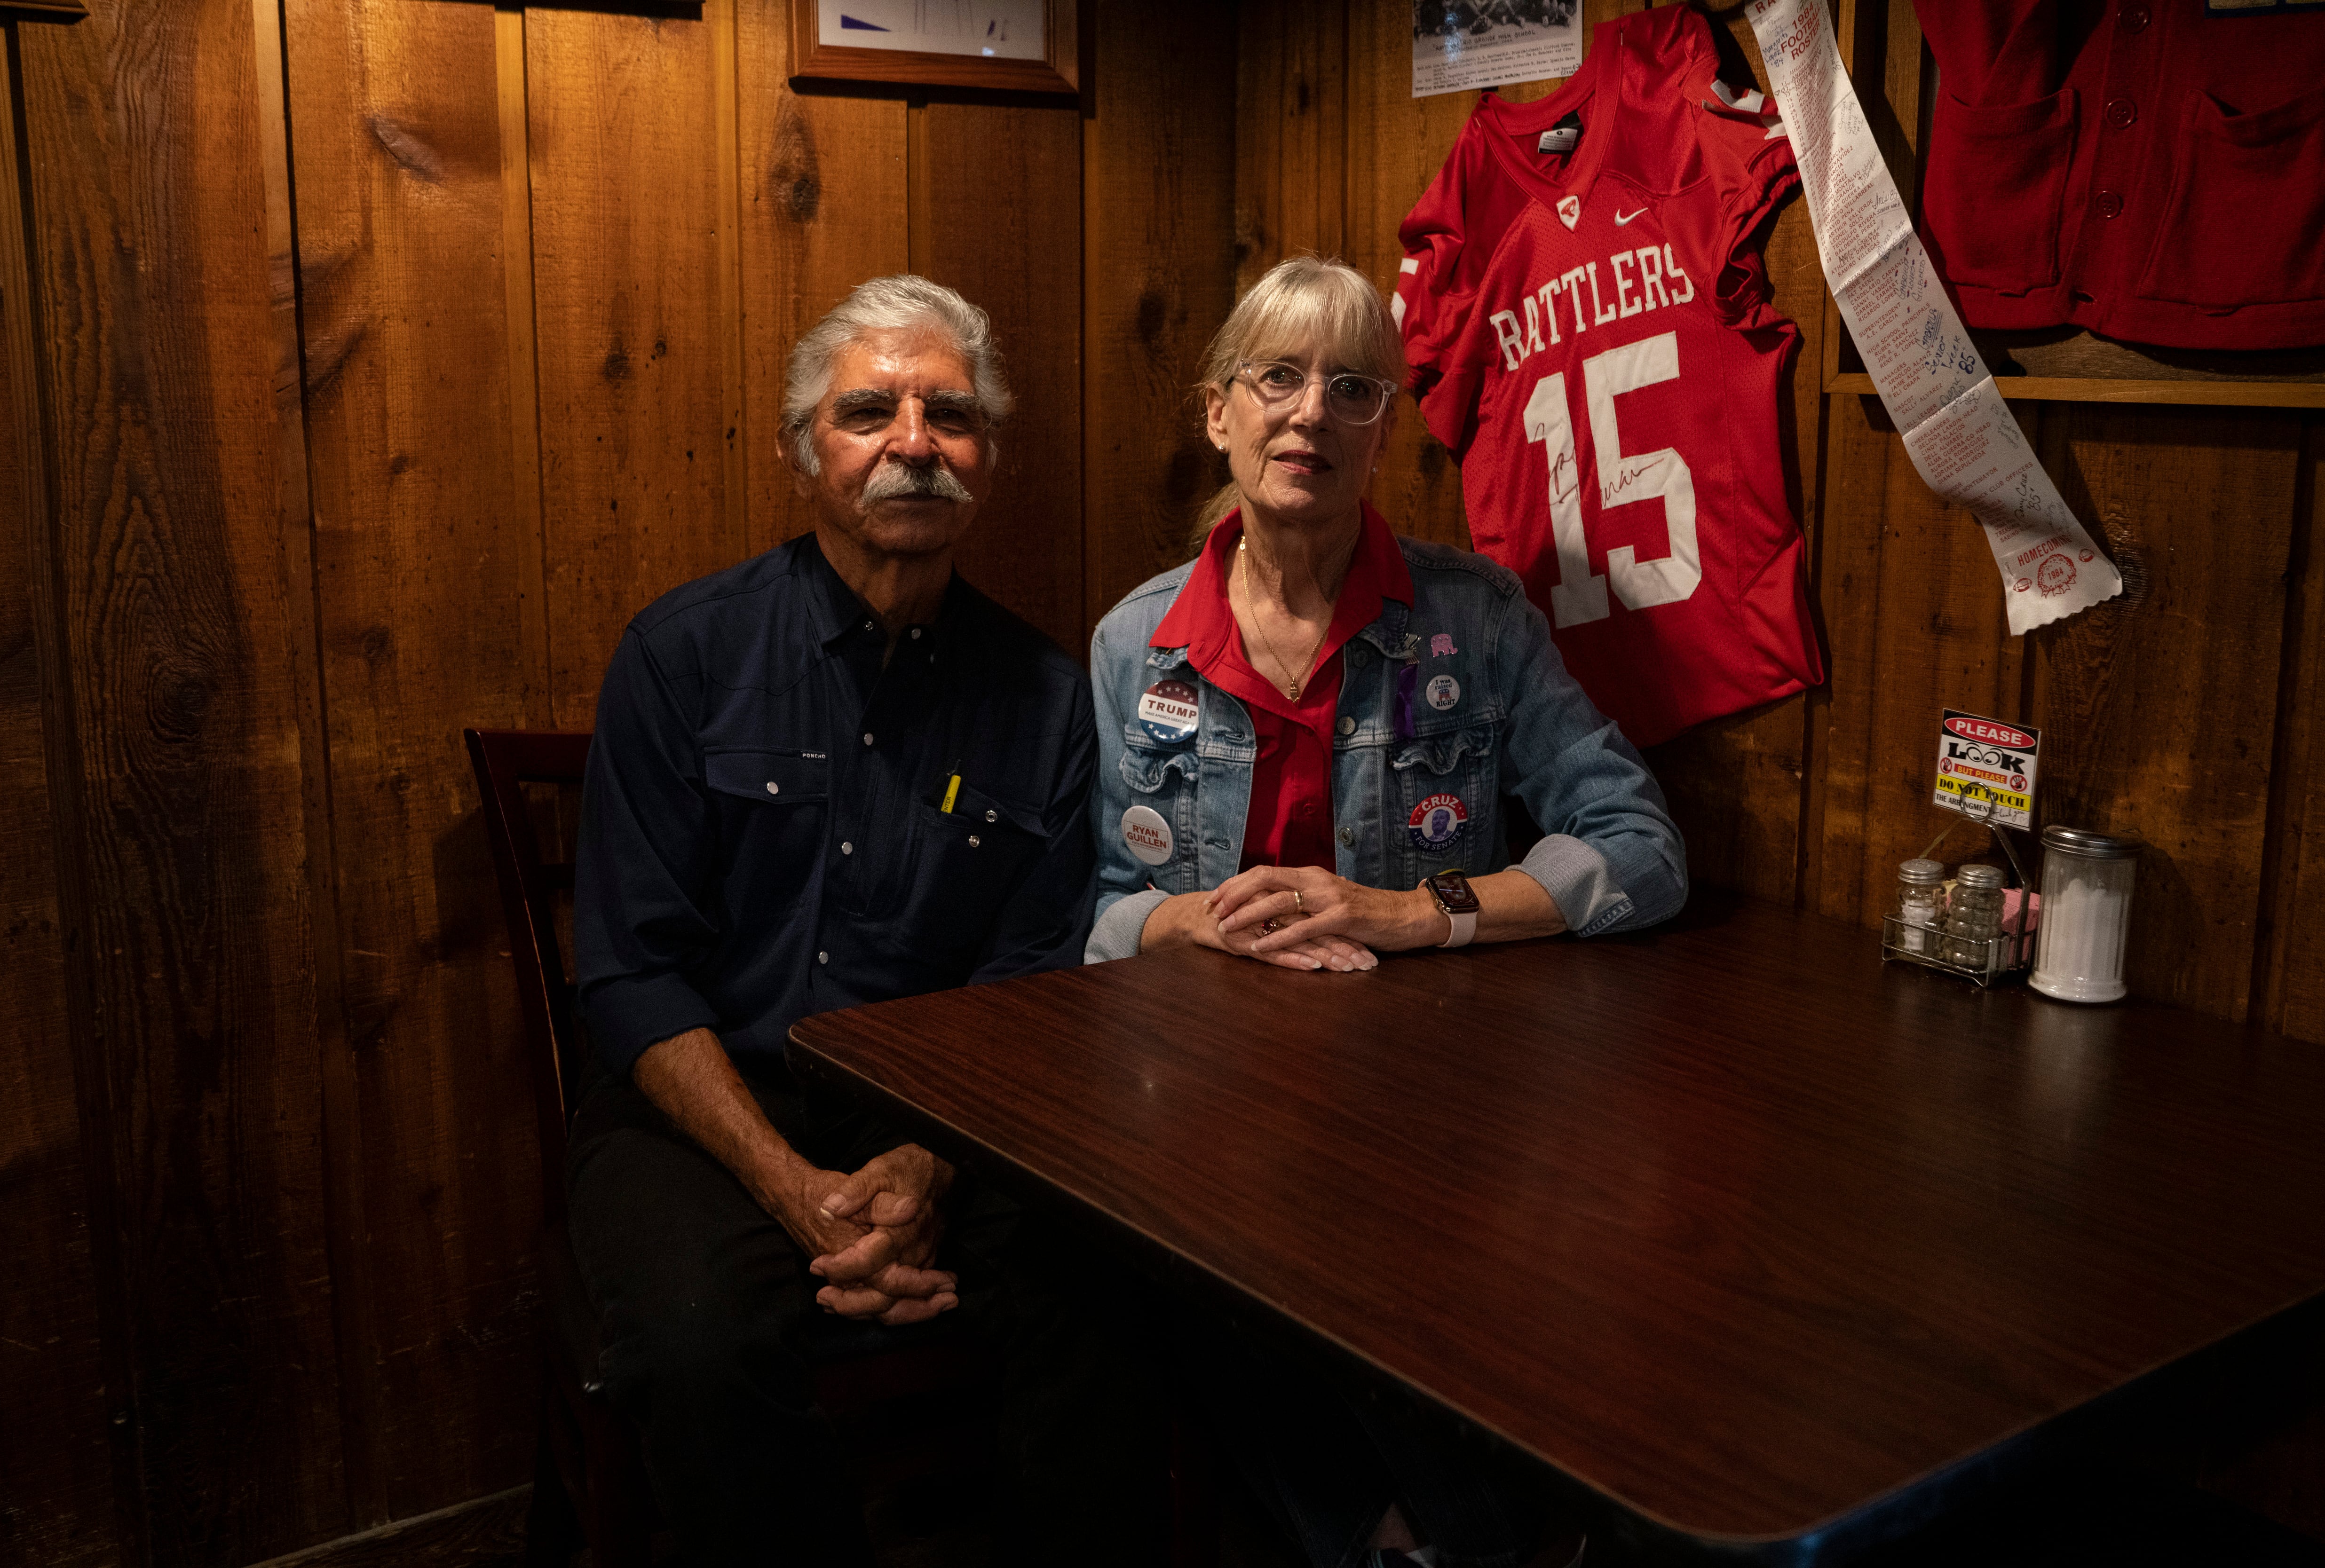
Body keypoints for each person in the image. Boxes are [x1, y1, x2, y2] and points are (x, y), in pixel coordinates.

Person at [1086, 255, 1687, 1568]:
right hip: (1210, 1104)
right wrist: (1187, 925)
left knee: (1424, 1256)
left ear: (1384, 422)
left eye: (1352, 387)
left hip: (1432, 1105)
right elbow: (1099, 918)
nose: (1311, 414)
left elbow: (1641, 850)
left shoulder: (1474, 619)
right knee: (1168, 1260)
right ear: (1218, 413)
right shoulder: (1136, 644)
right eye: (1279, 379)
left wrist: (1416, 912)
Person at [569, 275, 1158, 1565]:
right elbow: (629, 974)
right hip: (707, 1109)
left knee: (1111, 1288)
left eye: (950, 414)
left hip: (954, 1118)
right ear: (804, 456)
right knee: (697, 1336)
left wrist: (925, 1166)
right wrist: (797, 1192)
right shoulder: (682, 657)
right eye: (869, 411)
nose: (913, 441)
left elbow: (1032, 974)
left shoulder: (1048, 699)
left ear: (987, 462)